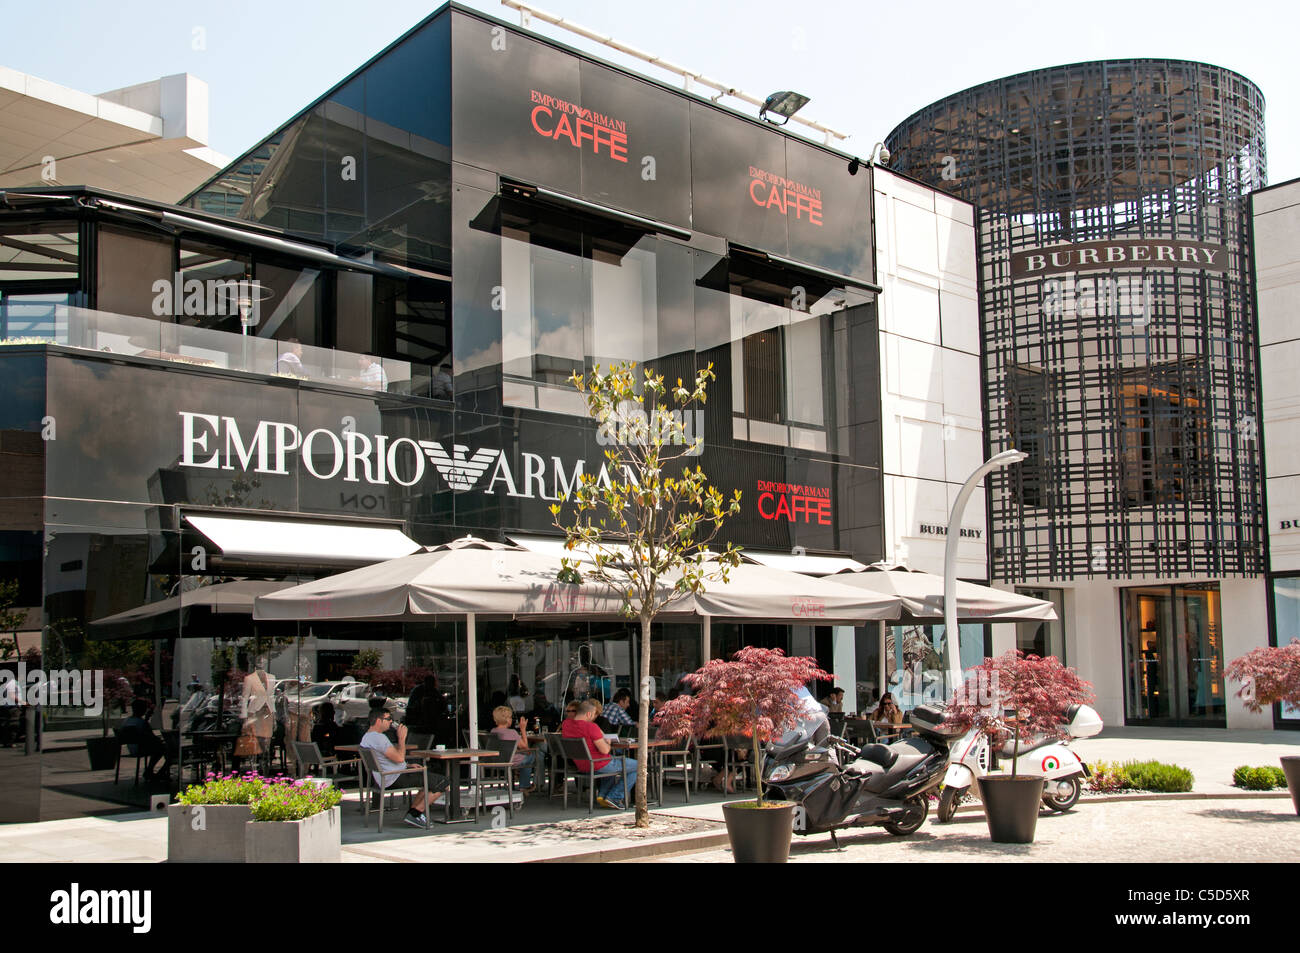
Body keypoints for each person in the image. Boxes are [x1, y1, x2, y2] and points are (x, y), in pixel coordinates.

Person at [360, 708, 447, 828]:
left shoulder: (367, 737)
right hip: (394, 777)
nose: (391, 722)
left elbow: (389, 760)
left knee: (429, 781)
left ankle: (413, 815)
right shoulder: (379, 738)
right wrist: (402, 738)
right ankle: (415, 814)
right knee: (443, 782)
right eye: (388, 719)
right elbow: (400, 758)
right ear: (379, 721)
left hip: (385, 777)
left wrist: (407, 765)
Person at [562, 699, 636, 810]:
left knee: (613, 764)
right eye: (594, 715)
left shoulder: (566, 724)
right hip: (598, 764)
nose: (595, 718)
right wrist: (608, 742)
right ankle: (614, 797)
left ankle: (603, 796)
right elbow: (605, 750)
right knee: (639, 765)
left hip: (581, 765)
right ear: (589, 714)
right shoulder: (591, 727)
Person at [489, 705, 541, 793]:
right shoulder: (512, 732)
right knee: (531, 756)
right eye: (510, 717)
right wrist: (523, 729)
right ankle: (524, 785)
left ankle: (519, 777)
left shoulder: (493, 731)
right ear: (506, 719)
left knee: (524, 756)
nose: (511, 719)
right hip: (510, 760)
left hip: (497, 760)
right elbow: (525, 747)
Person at [121, 698, 174, 781]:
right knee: (168, 750)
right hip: (141, 748)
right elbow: (151, 737)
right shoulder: (141, 723)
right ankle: (158, 772)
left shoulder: (126, 720)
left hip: (132, 748)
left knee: (160, 747)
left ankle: (150, 770)